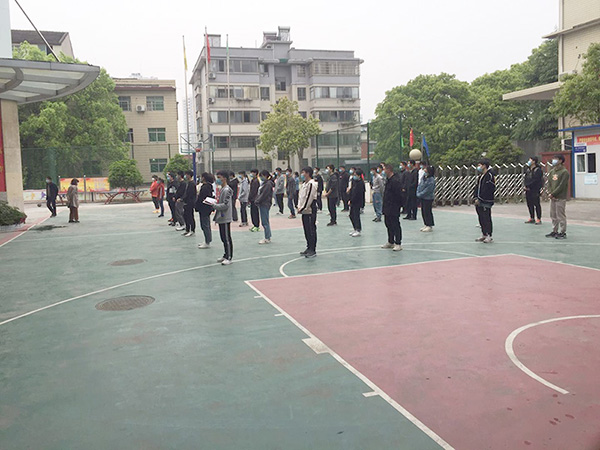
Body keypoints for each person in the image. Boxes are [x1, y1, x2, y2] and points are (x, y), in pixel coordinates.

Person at [546, 154, 569, 240]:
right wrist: (550, 192)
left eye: (556, 159)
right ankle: (554, 230)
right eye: (553, 158)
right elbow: (549, 183)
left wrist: (553, 194)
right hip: (553, 197)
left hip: (560, 197)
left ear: (561, 161)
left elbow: (561, 185)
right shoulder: (552, 171)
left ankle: (562, 232)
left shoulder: (564, 172)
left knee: (560, 215)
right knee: (553, 215)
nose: (554, 160)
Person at [213, 170, 234, 265]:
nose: (217, 180)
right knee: (223, 237)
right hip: (221, 217)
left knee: (226, 238)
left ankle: (229, 257)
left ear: (224, 178)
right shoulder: (222, 189)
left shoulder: (227, 190)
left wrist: (214, 206)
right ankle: (225, 255)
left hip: (225, 217)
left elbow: (226, 205)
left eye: (219, 178)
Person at [298, 167, 319, 258]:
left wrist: (303, 207)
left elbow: (309, 197)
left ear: (308, 173)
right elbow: (301, 197)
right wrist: (299, 206)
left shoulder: (312, 184)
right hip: (304, 211)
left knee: (311, 230)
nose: (302, 174)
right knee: (306, 230)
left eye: (303, 172)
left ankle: (312, 249)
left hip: (310, 210)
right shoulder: (304, 184)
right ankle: (308, 247)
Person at [382, 164, 403, 251]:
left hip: (394, 206)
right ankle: (390, 241)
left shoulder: (395, 181)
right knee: (388, 223)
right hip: (387, 206)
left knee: (395, 224)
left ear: (388, 170)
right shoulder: (388, 180)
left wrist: (399, 205)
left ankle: (398, 243)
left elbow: (398, 195)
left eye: (384, 169)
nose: (383, 171)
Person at [474, 158, 496, 243]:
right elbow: (477, 187)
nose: (478, 167)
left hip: (486, 201)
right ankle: (484, 234)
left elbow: (489, 189)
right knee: (481, 217)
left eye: (480, 165)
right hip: (479, 200)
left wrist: (481, 198)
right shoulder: (481, 176)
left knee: (487, 217)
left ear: (484, 166)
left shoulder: (490, 175)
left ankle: (489, 235)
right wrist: (476, 197)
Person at [195, 172, 215, 249]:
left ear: (204, 178)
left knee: (205, 225)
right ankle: (207, 240)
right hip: (207, 208)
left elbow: (201, 198)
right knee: (206, 225)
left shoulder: (205, 187)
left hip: (204, 208)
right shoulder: (209, 186)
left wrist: (197, 206)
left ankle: (207, 241)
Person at [255, 170, 274, 244]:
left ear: (266, 176)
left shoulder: (268, 184)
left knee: (265, 221)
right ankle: (268, 236)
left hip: (264, 203)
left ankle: (267, 237)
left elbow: (264, 194)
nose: (261, 177)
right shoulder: (264, 183)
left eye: (261, 176)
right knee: (265, 221)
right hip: (262, 203)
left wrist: (257, 200)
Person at [524, 156, 544, 225]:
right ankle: (532, 217)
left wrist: (530, 186)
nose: (529, 161)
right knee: (529, 204)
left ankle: (538, 218)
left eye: (530, 160)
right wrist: (526, 186)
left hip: (535, 189)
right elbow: (526, 178)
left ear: (534, 161)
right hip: (528, 190)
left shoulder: (538, 170)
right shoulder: (528, 170)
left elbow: (536, 180)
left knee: (536, 204)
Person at [417, 165, 436, 232]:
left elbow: (428, 190)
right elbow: (420, 185)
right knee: (423, 211)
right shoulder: (424, 177)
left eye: (426, 169)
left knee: (427, 211)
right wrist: (418, 192)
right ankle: (426, 224)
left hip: (428, 198)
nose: (424, 170)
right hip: (422, 197)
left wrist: (420, 194)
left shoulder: (431, 180)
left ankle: (429, 225)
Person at [349, 168, 366, 237]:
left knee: (356, 216)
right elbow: (352, 191)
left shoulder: (361, 183)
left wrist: (352, 200)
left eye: (355, 175)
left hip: (357, 202)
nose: (354, 176)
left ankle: (358, 229)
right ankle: (355, 228)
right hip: (353, 201)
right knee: (351, 215)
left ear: (359, 175)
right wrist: (350, 199)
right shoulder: (354, 181)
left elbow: (358, 194)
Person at [180, 170, 197, 237]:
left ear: (189, 175)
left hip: (190, 203)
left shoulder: (192, 184)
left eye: (186, 174)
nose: (185, 176)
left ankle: (192, 230)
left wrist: (182, 199)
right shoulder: (188, 183)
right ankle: (187, 229)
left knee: (190, 216)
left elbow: (190, 194)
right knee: (186, 216)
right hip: (186, 202)